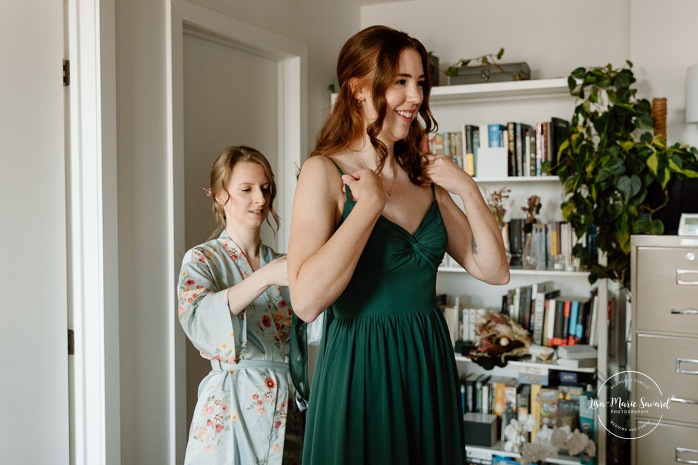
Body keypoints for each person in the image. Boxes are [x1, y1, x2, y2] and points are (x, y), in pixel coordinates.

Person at [287, 26, 510, 465]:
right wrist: (368, 206)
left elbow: (494, 270)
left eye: (420, 83)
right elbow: (306, 301)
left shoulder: (424, 176)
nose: (414, 98)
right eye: (400, 82)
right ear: (357, 90)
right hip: (360, 368)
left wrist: (467, 189)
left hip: (427, 364)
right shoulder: (324, 172)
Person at [177, 146, 304, 465]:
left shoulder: (282, 263)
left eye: (265, 188)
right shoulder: (202, 260)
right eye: (246, 190)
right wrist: (261, 278)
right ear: (220, 195)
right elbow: (199, 320)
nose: (260, 199)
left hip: (287, 408)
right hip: (230, 408)